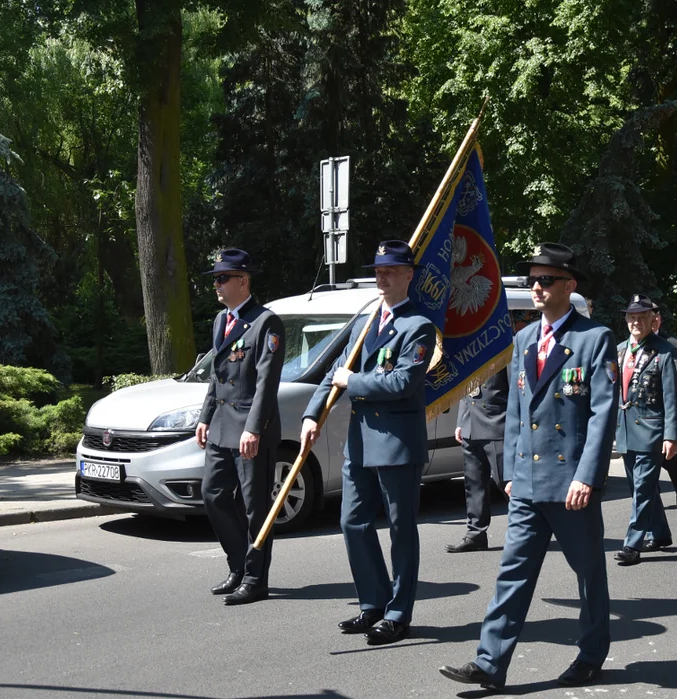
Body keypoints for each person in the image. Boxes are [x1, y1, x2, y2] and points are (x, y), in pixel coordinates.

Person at [440, 243, 619, 690]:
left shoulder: (593, 338)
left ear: (569, 286)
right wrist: (512, 473)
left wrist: (588, 475)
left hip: (570, 484)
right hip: (529, 483)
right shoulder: (522, 340)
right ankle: (490, 663)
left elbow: (602, 414)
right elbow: (518, 413)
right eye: (532, 280)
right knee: (512, 575)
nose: (536, 288)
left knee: (588, 575)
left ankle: (592, 654)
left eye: (547, 280)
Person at [300, 240, 435, 645]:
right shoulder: (366, 323)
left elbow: (403, 382)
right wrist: (312, 413)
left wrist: (352, 382)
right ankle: (372, 603)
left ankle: (397, 613)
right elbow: (334, 372)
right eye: (378, 271)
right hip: (359, 443)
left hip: (396, 443)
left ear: (408, 276)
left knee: (400, 529)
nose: (382, 277)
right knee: (351, 522)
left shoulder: (419, 327)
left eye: (390, 271)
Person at [195, 248, 285, 606]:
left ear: (243, 281)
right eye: (215, 278)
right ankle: (237, 565)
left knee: (255, 507)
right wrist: (204, 418)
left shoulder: (266, 323)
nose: (216, 284)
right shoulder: (221, 320)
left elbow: (267, 382)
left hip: (251, 429)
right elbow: (217, 376)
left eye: (222, 278)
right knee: (213, 495)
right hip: (220, 426)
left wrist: (254, 428)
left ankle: (255, 578)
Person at [613, 294, 677, 566]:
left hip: (652, 431)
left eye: (642, 317)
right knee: (640, 487)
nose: (636, 322)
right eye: (632, 317)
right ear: (626, 320)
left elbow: (672, 397)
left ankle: (632, 545)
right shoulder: (618, 350)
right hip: (626, 430)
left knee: (642, 487)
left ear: (653, 320)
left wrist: (671, 435)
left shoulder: (665, 351)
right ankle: (661, 534)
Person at [448, 366, 508, 552]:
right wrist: (461, 421)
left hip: (498, 423)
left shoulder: (506, 346)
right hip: (471, 425)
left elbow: (517, 390)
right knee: (474, 485)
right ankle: (476, 534)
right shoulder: (474, 347)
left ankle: (528, 531)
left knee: (507, 484)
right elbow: (466, 387)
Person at [653, 305, 677, 508]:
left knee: (667, 457)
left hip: (665, 413)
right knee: (654, 458)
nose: (654, 320)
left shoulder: (672, 344)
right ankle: (654, 498)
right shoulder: (633, 344)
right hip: (644, 415)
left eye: (657, 316)